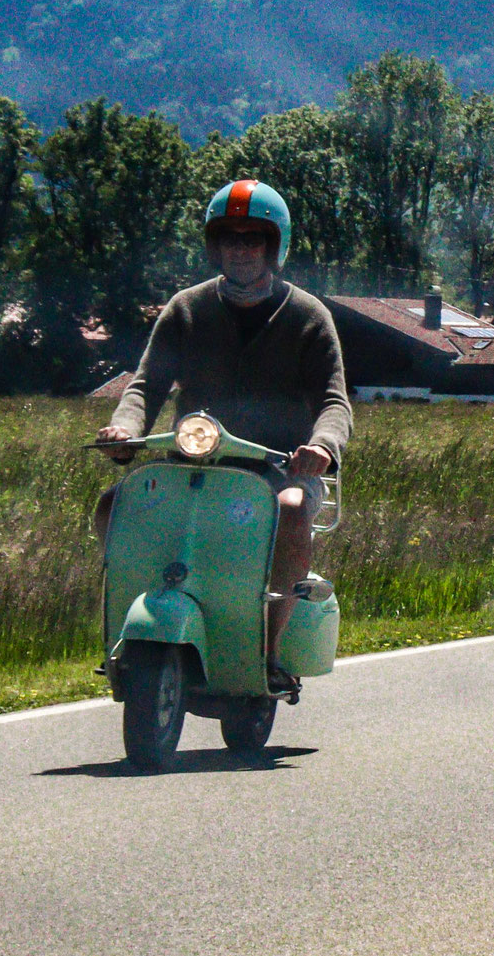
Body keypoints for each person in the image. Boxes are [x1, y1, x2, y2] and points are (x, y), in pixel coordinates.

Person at [94, 180, 351, 693]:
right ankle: (131, 631)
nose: (240, 249)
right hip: (191, 466)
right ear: (214, 245)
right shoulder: (185, 308)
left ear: (275, 245)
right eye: (229, 238)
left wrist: (322, 447)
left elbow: (334, 399)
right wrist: (124, 428)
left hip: (276, 467)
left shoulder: (308, 316)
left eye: (253, 238)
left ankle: (270, 650)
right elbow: (145, 385)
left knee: (296, 508)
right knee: (111, 507)